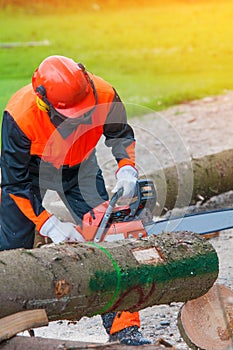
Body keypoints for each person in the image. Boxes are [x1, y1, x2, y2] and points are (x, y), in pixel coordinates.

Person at [0, 55, 152, 346]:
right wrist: (49, 225)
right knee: (11, 246)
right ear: (44, 102)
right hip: (31, 173)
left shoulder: (104, 93)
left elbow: (120, 133)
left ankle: (124, 328)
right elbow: (15, 183)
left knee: (107, 238)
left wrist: (126, 166)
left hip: (81, 167)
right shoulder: (19, 115)